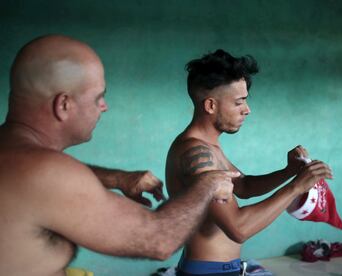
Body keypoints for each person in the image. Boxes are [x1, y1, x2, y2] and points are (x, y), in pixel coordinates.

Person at [0, 35, 237, 276]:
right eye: (98, 97)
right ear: (64, 105)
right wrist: (208, 185)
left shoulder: (17, 159)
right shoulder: (45, 172)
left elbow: (40, 179)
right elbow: (159, 239)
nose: (104, 106)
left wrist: (116, 178)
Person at [166, 49, 333, 276]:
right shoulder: (195, 153)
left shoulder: (207, 147)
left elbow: (243, 186)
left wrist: (289, 171)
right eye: (239, 102)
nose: (247, 109)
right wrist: (296, 187)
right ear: (210, 106)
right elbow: (238, 228)